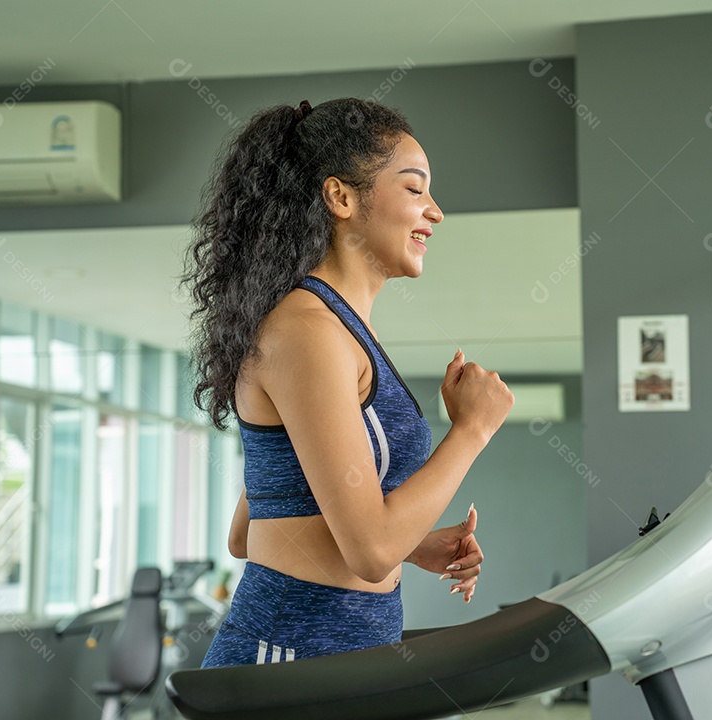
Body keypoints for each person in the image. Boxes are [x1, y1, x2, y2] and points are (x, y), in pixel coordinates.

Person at [183, 97, 514, 668]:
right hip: (285, 662)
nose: (434, 211)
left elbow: (251, 530)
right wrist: (473, 429)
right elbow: (369, 550)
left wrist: (412, 546)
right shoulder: (306, 331)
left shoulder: (335, 328)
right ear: (341, 197)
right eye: (415, 188)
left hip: (344, 661)